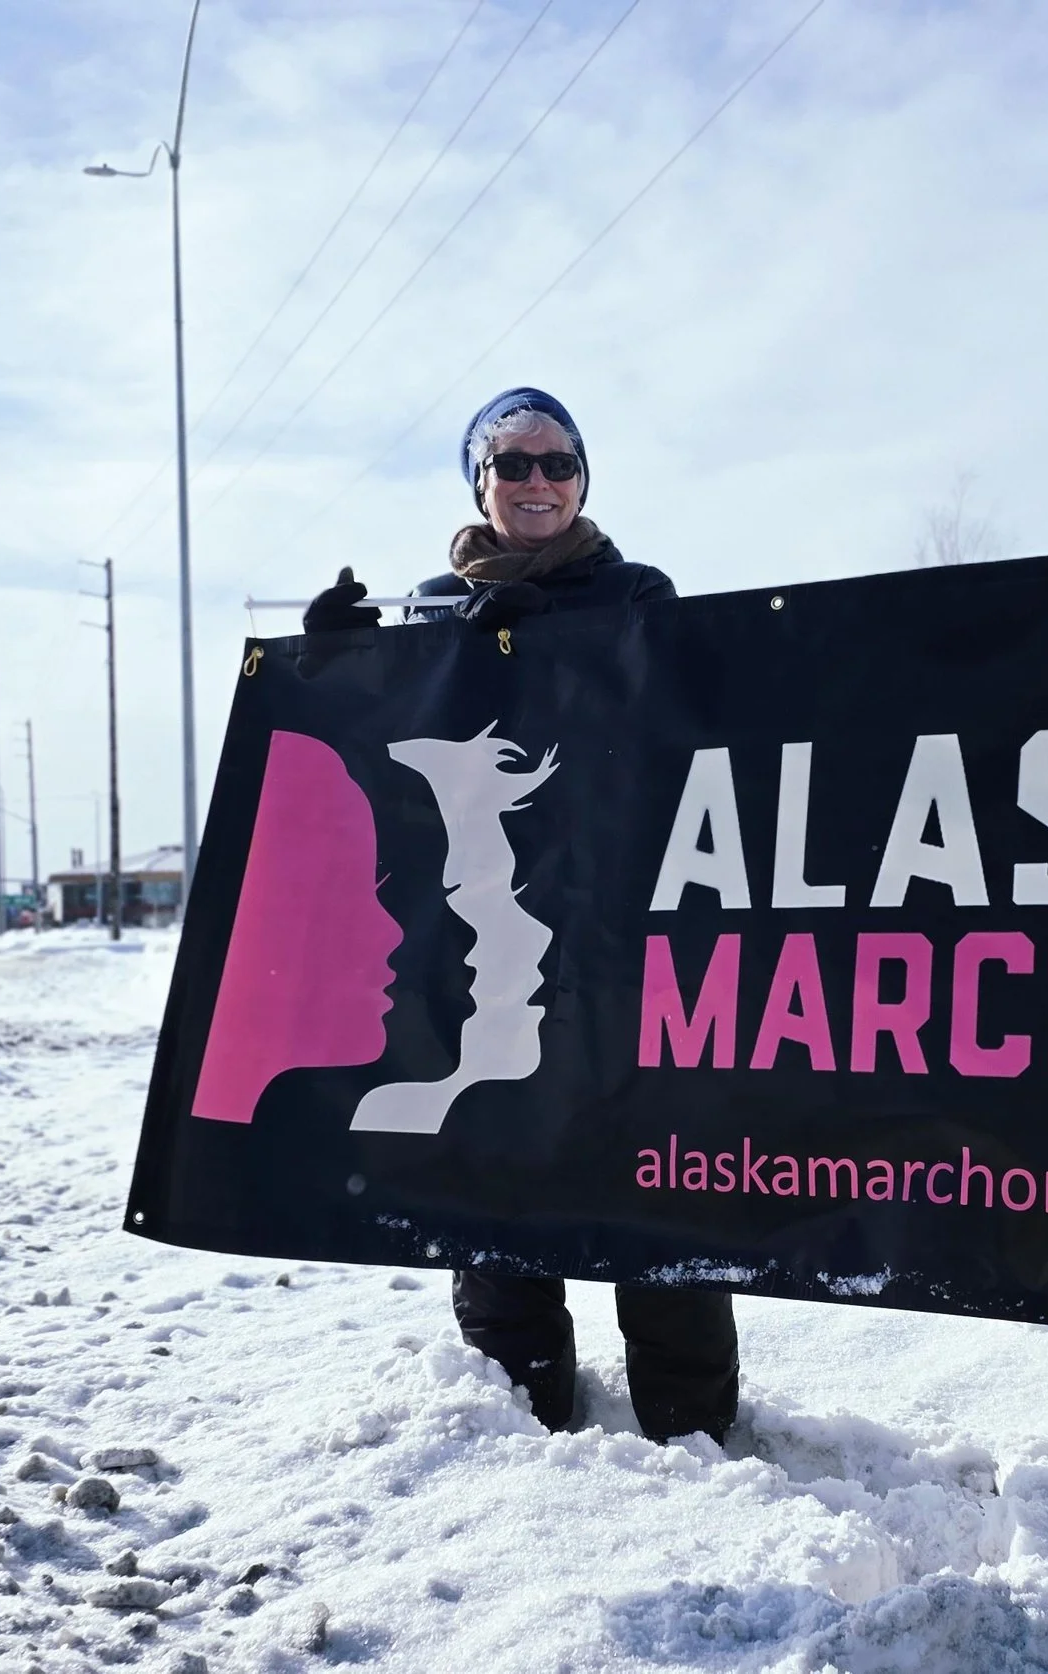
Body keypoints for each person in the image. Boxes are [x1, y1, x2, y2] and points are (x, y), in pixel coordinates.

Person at [304, 386, 738, 1447]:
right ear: (479, 482)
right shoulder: (425, 611)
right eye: (513, 465)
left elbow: (671, 725)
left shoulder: (639, 591)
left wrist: (540, 649)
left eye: (558, 463)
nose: (537, 482)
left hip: (621, 943)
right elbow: (372, 781)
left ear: (583, 479)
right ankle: (523, 1440)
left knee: (655, 1196)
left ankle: (697, 1443)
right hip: (480, 942)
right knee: (497, 1177)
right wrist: (333, 672)